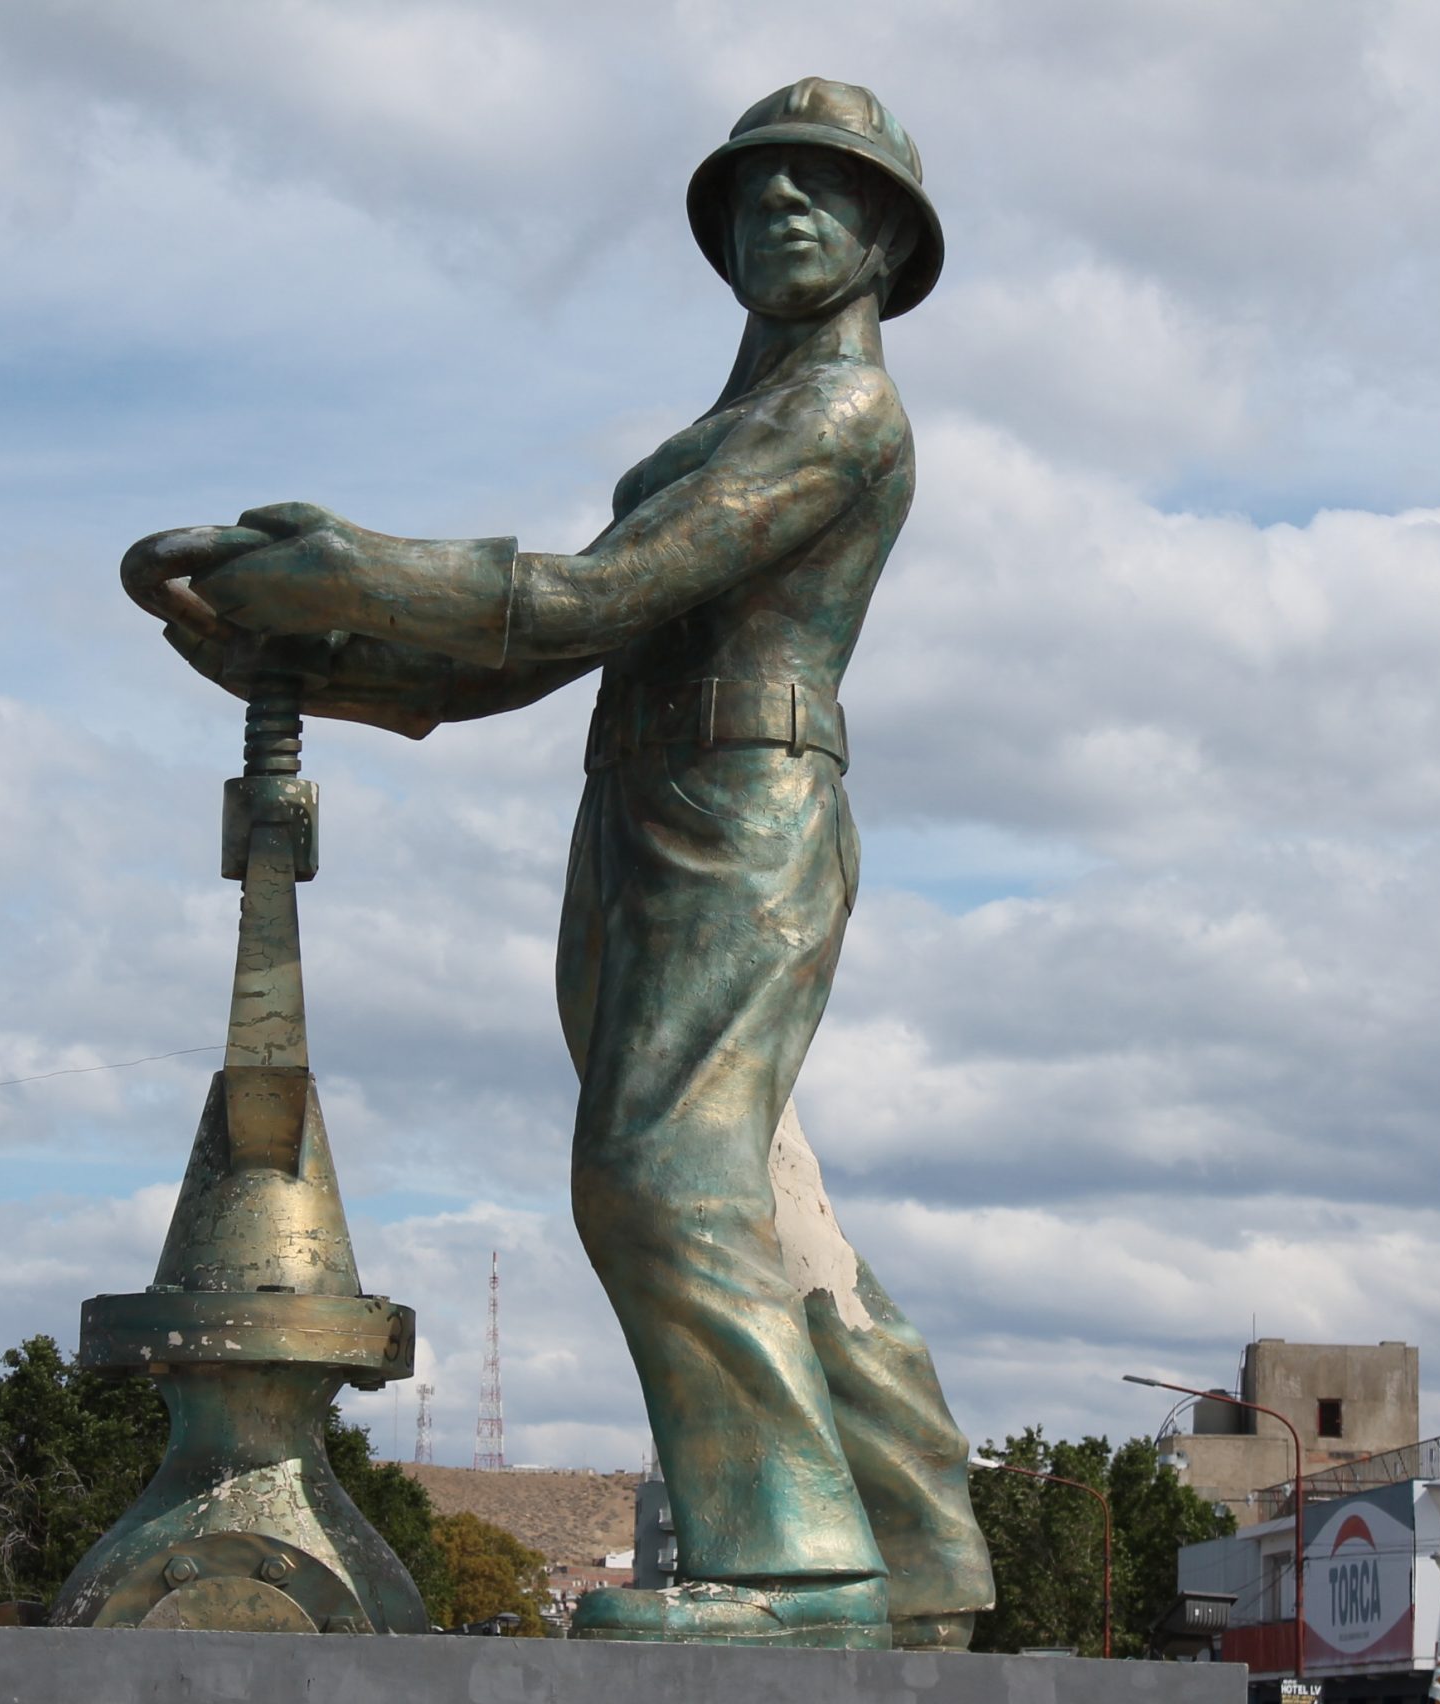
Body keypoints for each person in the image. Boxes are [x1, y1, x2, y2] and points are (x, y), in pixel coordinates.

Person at [127, 77, 994, 1649]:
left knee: (661, 1177)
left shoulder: (841, 411)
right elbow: (549, 654)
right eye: (755, 191)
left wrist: (370, 574)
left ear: (887, 238)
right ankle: (920, 1546)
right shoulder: (728, 425)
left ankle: (802, 1567)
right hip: (648, 805)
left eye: (822, 187)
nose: (780, 208)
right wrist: (310, 653)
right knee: (754, 1188)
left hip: (748, 804)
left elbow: (600, 596)